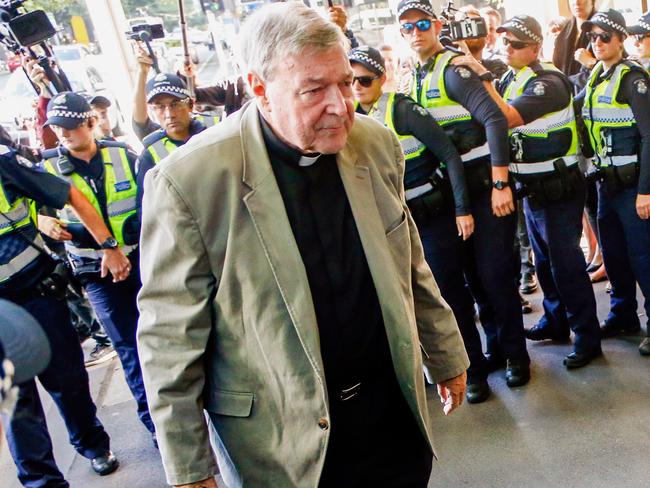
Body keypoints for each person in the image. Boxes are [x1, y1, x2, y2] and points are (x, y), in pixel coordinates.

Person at [137, 4, 469, 487]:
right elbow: (169, 337)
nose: (340, 105)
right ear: (259, 89)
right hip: (283, 445)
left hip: (390, 419)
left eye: (345, 83)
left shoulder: (374, 143)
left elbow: (408, 261)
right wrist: (190, 466)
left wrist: (445, 354)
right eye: (314, 90)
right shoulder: (191, 181)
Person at [455, 15, 603, 368]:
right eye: (504, 43)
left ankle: (587, 336)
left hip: (560, 188)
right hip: (533, 190)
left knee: (566, 264)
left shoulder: (548, 83)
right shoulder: (512, 77)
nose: (508, 49)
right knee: (544, 261)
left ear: (535, 47)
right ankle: (555, 321)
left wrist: (482, 75)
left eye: (517, 44)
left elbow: (504, 117)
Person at [397, 0, 530, 388]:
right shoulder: (416, 76)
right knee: (473, 277)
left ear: (437, 26)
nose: (416, 32)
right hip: (456, 194)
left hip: (487, 187)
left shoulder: (454, 69)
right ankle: (496, 349)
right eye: (407, 27)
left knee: (495, 275)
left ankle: (516, 356)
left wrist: (501, 182)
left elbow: (493, 119)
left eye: (422, 24)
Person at [350, 46, 486, 402]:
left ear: (381, 79)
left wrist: (461, 209)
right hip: (385, 225)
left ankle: (472, 371)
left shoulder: (403, 109)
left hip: (430, 218)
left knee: (448, 296)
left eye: (364, 80)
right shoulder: (348, 119)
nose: (357, 87)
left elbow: (449, 155)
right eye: (350, 81)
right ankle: (427, 371)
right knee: (399, 303)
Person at [0, 142, 129, 484]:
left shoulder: (4, 163)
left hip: (38, 293)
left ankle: (93, 445)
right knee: (15, 402)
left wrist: (108, 245)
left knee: (67, 382)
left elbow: (69, 193)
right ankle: (43, 483)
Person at [37, 92, 158, 442]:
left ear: (91, 123)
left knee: (161, 337)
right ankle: (155, 424)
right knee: (128, 347)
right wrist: (46, 223)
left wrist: (120, 248)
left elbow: (148, 203)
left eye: (71, 127)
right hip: (95, 272)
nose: (65, 134)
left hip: (140, 261)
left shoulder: (121, 155)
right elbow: (41, 214)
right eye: (58, 128)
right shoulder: (46, 167)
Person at [578, 9, 650, 357]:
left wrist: (646, 191)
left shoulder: (633, 78)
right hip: (606, 184)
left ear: (620, 39)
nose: (598, 43)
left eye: (605, 36)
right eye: (593, 37)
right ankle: (623, 315)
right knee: (615, 254)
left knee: (643, 257)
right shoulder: (595, 76)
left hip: (633, 185)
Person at [135, 74, 212, 214]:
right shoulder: (150, 156)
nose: (169, 114)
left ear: (190, 105)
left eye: (175, 104)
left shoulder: (214, 130)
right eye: (160, 107)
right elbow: (146, 210)